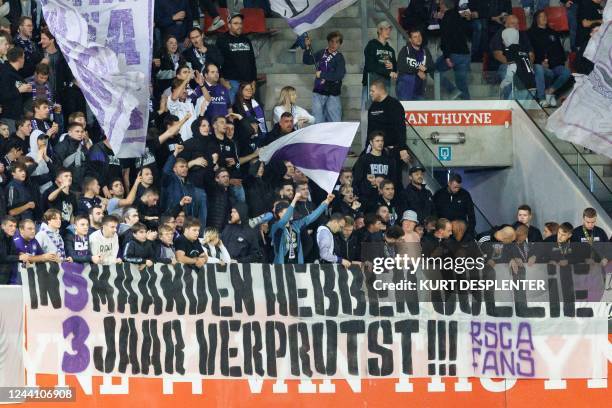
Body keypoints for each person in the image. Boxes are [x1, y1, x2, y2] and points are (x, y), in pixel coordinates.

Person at [270, 192, 333, 264]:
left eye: (291, 211)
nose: (291, 213)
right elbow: (284, 219)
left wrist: (327, 202)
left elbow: (311, 217)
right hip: (280, 266)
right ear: (280, 214)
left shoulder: (296, 225)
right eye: (288, 211)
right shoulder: (276, 227)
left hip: (296, 265)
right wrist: (295, 199)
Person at [528, 11, 571, 107]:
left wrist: (552, 63)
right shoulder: (530, 33)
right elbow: (529, 52)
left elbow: (560, 52)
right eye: (541, 16)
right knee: (538, 67)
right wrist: (540, 62)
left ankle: (550, 91)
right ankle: (542, 98)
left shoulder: (553, 33)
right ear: (536, 19)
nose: (544, 18)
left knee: (566, 72)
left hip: (553, 66)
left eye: (545, 16)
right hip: (538, 66)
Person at [303, 31, 346, 123]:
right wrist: (307, 47)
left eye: (337, 42)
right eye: (332, 41)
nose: (334, 44)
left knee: (335, 122)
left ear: (340, 44)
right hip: (319, 91)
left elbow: (339, 75)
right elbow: (307, 60)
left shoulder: (339, 57)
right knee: (317, 121)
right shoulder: (322, 52)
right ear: (328, 42)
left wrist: (322, 75)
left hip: (333, 93)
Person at [161, 144, 208, 228]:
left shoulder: (189, 185)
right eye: (181, 166)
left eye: (186, 166)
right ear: (174, 169)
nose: (185, 169)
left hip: (186, 222)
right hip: (171, 220)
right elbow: (166, 171)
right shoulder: (170, 181)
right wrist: (175, 153)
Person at [216, 13, 257, 103]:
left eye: (240, 23)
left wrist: (253, 80)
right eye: (236, 23)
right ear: (229, 25)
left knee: (247, 110)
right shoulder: (222, 40)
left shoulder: (246, 40)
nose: (239, 26)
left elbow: (252, 61)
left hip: (247, 82)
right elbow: (217, 61)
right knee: (231, 110)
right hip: (231, 82)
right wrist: (222, 79)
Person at [435, 0, 471, 100]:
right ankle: (468, 106)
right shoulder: (458, 15)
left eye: (440, 4)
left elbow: (446, 38)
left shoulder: (446, 18)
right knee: (462, 85)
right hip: (465, 54)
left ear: (443, 5)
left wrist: (447, 57)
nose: (439, 6)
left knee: (434, 71)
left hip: (453, 55)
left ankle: (453, 90)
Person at [367, 80, 409, 164]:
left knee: (393, 176)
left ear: (381, 90)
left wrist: (402, 148)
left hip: (392, 151)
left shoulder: (394, 104)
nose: (370, 93)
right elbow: (370, 129)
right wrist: (367, 147)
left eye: (372, 91)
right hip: (376, 151)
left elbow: (401, 128)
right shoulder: (373, 106)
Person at [491, 15, 535, 92]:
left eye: (517, 23)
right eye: (513, 23)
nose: (516, 26)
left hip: (523, 64)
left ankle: (541, 99)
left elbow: (531, 54)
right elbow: (498, 55)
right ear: (505, 25)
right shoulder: (500, 34)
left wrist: (527, 65)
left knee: (539, 69)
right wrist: (517, 64)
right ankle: (507, 102)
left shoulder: (522, 35)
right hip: (505, 64)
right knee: (507, 71)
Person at [353, 131, 397, 203]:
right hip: (367, 198)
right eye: (377, 141)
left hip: (385, 198)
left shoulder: (390, 160)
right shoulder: (364, 159)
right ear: (371, 142)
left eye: (382, 141)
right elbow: (357, 180)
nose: (380, 143)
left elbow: (394, 179)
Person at [362, 20, 397, 101]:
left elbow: (394, 68)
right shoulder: (371, 45)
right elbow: (370, 66)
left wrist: (393, 67)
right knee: (369, 110)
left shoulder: (391, 50)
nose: (388, 31)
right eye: (385, 29)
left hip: (385, 85)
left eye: (389, 29)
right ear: (379, 30)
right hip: (371, 84)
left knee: (384, 111)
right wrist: (388, 72)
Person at [433, 173, 476, 237]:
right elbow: (434, 212)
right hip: (444, 232)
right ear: (449, 183)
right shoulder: (438, 194)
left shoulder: (465, 195)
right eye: (455, 187)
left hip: (460, 232)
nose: (457, 189)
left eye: (459, 187)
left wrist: (470, 232)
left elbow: (471, 215)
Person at [396, 28, 434, 101]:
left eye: (419, 36)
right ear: (410, 39)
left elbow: (432, 66)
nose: (418, 39)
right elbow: (400, 66)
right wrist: (417, 71)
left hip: (419, 91)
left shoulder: (425, 51)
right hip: (405, 90)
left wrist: (426, 68)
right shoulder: (405, 50)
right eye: (415, 37)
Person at [0, 47, 31, 132]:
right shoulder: (5, 73)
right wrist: (19, 90)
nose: (24, 60)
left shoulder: (14, 73)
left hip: (17, 117)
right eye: (23, 57)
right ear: (20, 59)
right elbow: (3, 95)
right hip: (8, 118)